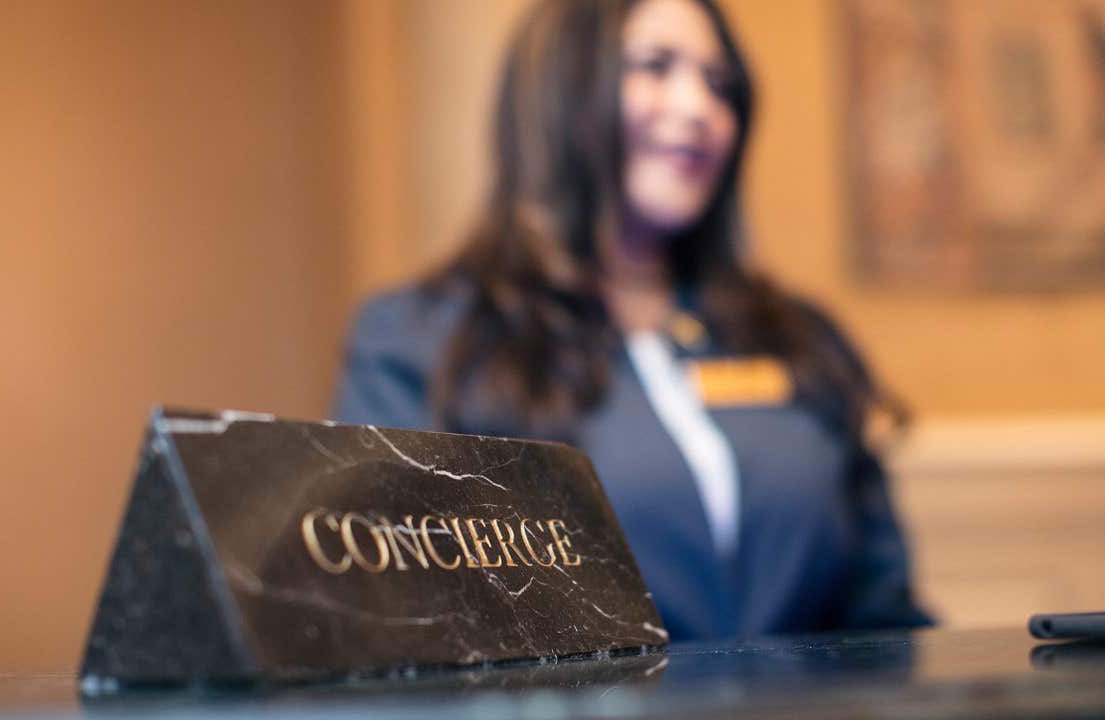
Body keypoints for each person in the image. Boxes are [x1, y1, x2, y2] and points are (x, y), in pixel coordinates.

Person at [333, 0, 932, 641]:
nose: (699, 109)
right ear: (558, 90)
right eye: (655, 66)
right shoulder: (423, 340)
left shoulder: (798, 337)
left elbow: (886, 618)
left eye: (720, 85)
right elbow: (395, 628)